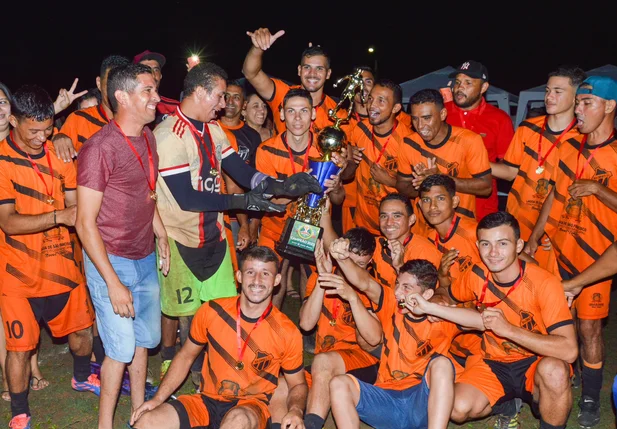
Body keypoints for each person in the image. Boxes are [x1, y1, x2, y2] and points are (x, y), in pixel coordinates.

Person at [153, 64, 323, 384]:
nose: (223, 104)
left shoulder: (214, 129)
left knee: (222, 310)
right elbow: (187, 199)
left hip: (215, 238)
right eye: (218, 96)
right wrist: (243, 202)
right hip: (180, 240)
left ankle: (219, 367)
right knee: (185, 315)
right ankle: (176, 362)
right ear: (201, 92)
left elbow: (243, 173)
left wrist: (281, 185)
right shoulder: (168, 135)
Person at [75, 63, 171, 429]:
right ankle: (105, 425)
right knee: (119, 349)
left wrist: (159, 232)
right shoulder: (99, 148)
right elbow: (85, 223)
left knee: (144, 341)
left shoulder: (147, 136)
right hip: (109, 260)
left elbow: (146, 192)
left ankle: (139, 412)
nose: (156, 97)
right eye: (147, 90)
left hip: (144, 255)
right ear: (122, 96)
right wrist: (112, 282)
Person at [0, 85, 99, 429]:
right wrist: (59, 216)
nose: (42, 137)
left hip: (63, 268)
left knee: (82, 333)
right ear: (13, 121)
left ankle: (82, 377)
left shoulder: (60, 153)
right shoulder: (1, 162)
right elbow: (9, 223)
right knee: (19, 349)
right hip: (19, 276)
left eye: (48, 129)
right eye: (33, 131)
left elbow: (74, 204)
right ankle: (19, 412)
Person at [129, 246, 308, 429]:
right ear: (239, 276)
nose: (257, 280)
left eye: (265, 274)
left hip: (250, 407)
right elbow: (186, 356)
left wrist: (295, 410)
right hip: (206, 401)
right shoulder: (212, 311)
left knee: (237, 421)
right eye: (250, 272)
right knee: (147, 422)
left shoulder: (286, 331)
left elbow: (298, 384)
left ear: (277, 280)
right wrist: (158, 399)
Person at [526, 76, 617, 427]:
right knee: (550, 322)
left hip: (597, 256)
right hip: (556, 250)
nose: (578, 109)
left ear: (609, 106)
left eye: (587, 103)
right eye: (577, 102)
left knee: (589, 328)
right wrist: (535, 236)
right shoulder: (568, 147)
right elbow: (553, 194)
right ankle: (556, 382)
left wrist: (597, 188)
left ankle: (592, 398)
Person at [438, 212, 577, 429]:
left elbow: (569, 350)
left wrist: (509, 330)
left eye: (502, 243)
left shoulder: (545, 282)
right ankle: (507, 405)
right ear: (478, 246)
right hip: (494, 362)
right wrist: (437, 295)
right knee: (457, 408)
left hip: (535, 362)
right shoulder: (477, 274)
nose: (493, 253)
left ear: (519, 245)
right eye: (486, 244)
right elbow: (447, 293)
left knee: (556, 372)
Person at [327, 241, 463, 429]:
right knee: (339, 383)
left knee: (441, 364)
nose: (398, 291)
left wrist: (440, 306)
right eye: (398, 284)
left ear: (428, 293)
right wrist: (343, 259)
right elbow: (364, 282)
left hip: (421, 400)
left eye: (407, 288)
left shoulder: (441, 316)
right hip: (386, 399)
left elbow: (479, 320)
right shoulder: (392, 303)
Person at [255, 88, 345, 307]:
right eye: (291, 111)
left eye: (304, 111)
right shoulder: (266, 150)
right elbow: (266, 201)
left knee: (317, 284)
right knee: (267, 283)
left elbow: (339, 200)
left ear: (313, 114)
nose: (297, 118)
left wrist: (335, 186)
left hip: (316, 230)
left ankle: (311, 336)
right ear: (282, 114)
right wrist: (297, 187)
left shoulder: (327, 149)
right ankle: (266, 332)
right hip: (275, 228)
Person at [491, 66, 585, 273]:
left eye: (558, 92)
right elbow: (511, 171)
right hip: (516, 223)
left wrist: (562, 233)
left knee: (551, 291)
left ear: (577, 97)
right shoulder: (527, 128)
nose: (549, 97)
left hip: (552, 232)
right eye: (548, 91)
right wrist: (477, 163)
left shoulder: (582, 138)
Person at [0, 82, 51, 402]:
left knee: (25, 304)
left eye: (3, 101)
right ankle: (11, 379)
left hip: (20, 235)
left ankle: (32, 368)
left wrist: (57, 135)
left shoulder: (23, 139)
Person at [298, 230, 380, 429]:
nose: (349, 268)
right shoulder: (322, 275)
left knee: (323, 361)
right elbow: (306, 324)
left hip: (364, 362)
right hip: (325, 362)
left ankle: (312, 425)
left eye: (359, 265)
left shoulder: (370, 286)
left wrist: (354, 296)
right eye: (347, 260)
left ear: (368, 264)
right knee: (286, 385)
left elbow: (374, 339)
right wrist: (323, 278)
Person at [396, 89, 492, 237]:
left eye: (427, 118)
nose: (420, 125)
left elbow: (486, 187)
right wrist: (423, 185)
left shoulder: (469, 141)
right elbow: (402, 185)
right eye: (415, 119)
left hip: (462, 230)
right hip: (422, 231)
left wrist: (441, 180)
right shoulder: (408, 143)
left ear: (442, 114)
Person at [445, 60, 515, 220]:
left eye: (468, 82)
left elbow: (510, 171)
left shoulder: (499, 119)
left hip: (482, 207)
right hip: (445, 205)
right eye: (457, 82)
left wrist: (473, 162)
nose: (459, 87)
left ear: (483, 87)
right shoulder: (442, 113)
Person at [242, 28, 346, 135]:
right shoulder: (282, 94)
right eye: (307, 67)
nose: (312, 73)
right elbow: (251, 73)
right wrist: (258, 48)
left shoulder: (337, 113)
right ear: (299, 70)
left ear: (328, 74)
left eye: (319, 68)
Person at [341, 79, 411, 235]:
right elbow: (347, 175)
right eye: (371, 98)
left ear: (396, 108)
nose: (372, 105)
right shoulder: (360, 129)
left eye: (381, 101)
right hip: (362, 223)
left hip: (394, 227)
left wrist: (390, 181)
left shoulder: (408, 140)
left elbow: (416, 190)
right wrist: (350, 157)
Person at [53, 55, 130, 162]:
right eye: (110, 84)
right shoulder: (79, 119)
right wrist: (57, 137)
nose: (116, 92)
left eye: (123, 84)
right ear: (99, 83)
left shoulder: (137, 124)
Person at [218, 81, 263, 250]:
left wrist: (253, 222)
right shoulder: (210, 128)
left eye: (236, 98)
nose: (230, 101)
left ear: (244, 104)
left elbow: (257, 182)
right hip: (214, 212)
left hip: (240, 214)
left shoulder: (252, 136)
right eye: (226, 96)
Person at [371, 192, 442, 288]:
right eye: (384, 216)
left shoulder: (425, 252)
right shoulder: (377, 243)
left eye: (396, 216)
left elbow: (424, 296)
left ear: (411, 220)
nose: (389, 222)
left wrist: (399, 266)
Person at [341, 66, 375, 233]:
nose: (363, 86)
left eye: (368, 82)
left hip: (384, 201)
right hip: (352, 203)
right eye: (358, 82)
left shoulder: (396, 121)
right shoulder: (340, 122)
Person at [134, 49, 180, 125]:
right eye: (146, 69)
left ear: (161, 75)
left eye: (156, 70)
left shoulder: (175, 108)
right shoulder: (126, 109)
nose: (153, 74)